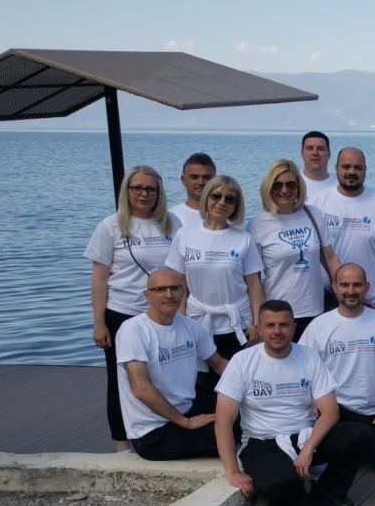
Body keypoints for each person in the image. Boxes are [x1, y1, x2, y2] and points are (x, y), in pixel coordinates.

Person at [214, 299, 367, 506]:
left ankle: (328, 493)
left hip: (305, 436)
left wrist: (308, 448)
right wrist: (233, 472)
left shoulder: (309, 356)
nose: (277, 331)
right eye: (270, 325)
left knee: (359, 435)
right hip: (262, 442)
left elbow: (331, 412)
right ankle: (295, 487)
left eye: (284, 325)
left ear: (294, 327)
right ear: (259, 329)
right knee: (280, 488)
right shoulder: (241, 362)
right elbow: (223, 423)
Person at [86, 164, 176, 446]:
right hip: (122, 313)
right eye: (137, 188)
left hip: (162, 315)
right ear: (127, 191)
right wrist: (99, 322)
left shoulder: (172, 223)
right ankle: (122, 443)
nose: (143, 194)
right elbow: (100, 278)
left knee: (164, 376)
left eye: (150, 189)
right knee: (120, 381)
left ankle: (163, 433)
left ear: (159, 193)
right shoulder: (110, 226)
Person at [298, 263, 375, 477]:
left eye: (357, 285)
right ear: (334, 286)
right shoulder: (319, 325)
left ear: (367, 287)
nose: (351, 290)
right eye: (345, 285)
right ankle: (359, 443)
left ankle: (364, 442)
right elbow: (303, 369)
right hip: (336, 411)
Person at [116, 268, 230, 460]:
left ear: (183, 291)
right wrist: (186, 422)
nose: (169, 295)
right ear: (147, 295)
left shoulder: (190, 326)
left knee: (241, 409)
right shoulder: (133, 330)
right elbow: (141, 389)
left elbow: (219, 365)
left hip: (187, 409)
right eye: (160, 289)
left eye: (175, 288)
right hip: (153, 431)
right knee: (226, 432)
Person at [164, 175, 265, 360]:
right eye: (216, 196)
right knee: (200, 377)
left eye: (229, 199)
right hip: (196, 324)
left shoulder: (244, 239)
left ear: (236, 206)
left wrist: (257, 325)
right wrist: (179, 322)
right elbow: (179, 284)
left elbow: (254, 285)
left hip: (238, 326)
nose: (222, 202)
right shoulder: (184, 235)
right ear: (206, 198)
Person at [250, 159, 341, 336]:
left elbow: (329, 257)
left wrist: (344, 290)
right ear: (268, 188)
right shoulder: (257, 225)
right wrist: (259, 320)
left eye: (291, 184)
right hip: (279, 315)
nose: (284, 190)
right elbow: (254, 281)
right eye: (277, 185)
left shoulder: (313, 214)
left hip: (316, 309)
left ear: (299, 187)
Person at [321, 148, 375, 308]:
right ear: (336, 168)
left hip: (371, 300)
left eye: (358, 167)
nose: (352, 172)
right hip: (327, 298)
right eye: (346, 166)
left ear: (365, 170)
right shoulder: (319, 203)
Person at [170, 152, 216, 230]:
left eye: (206, 177)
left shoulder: (226, 217)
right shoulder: (171, 217)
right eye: (194, 177)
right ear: (183, 180)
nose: (200, 182)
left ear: (215, 180)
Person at [300, 131, 336, 205]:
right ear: (302, 153)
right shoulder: (292, 183)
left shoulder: (340, 185)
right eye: (309, 148)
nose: (315, 153)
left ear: (329, 154)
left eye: (321, 149)